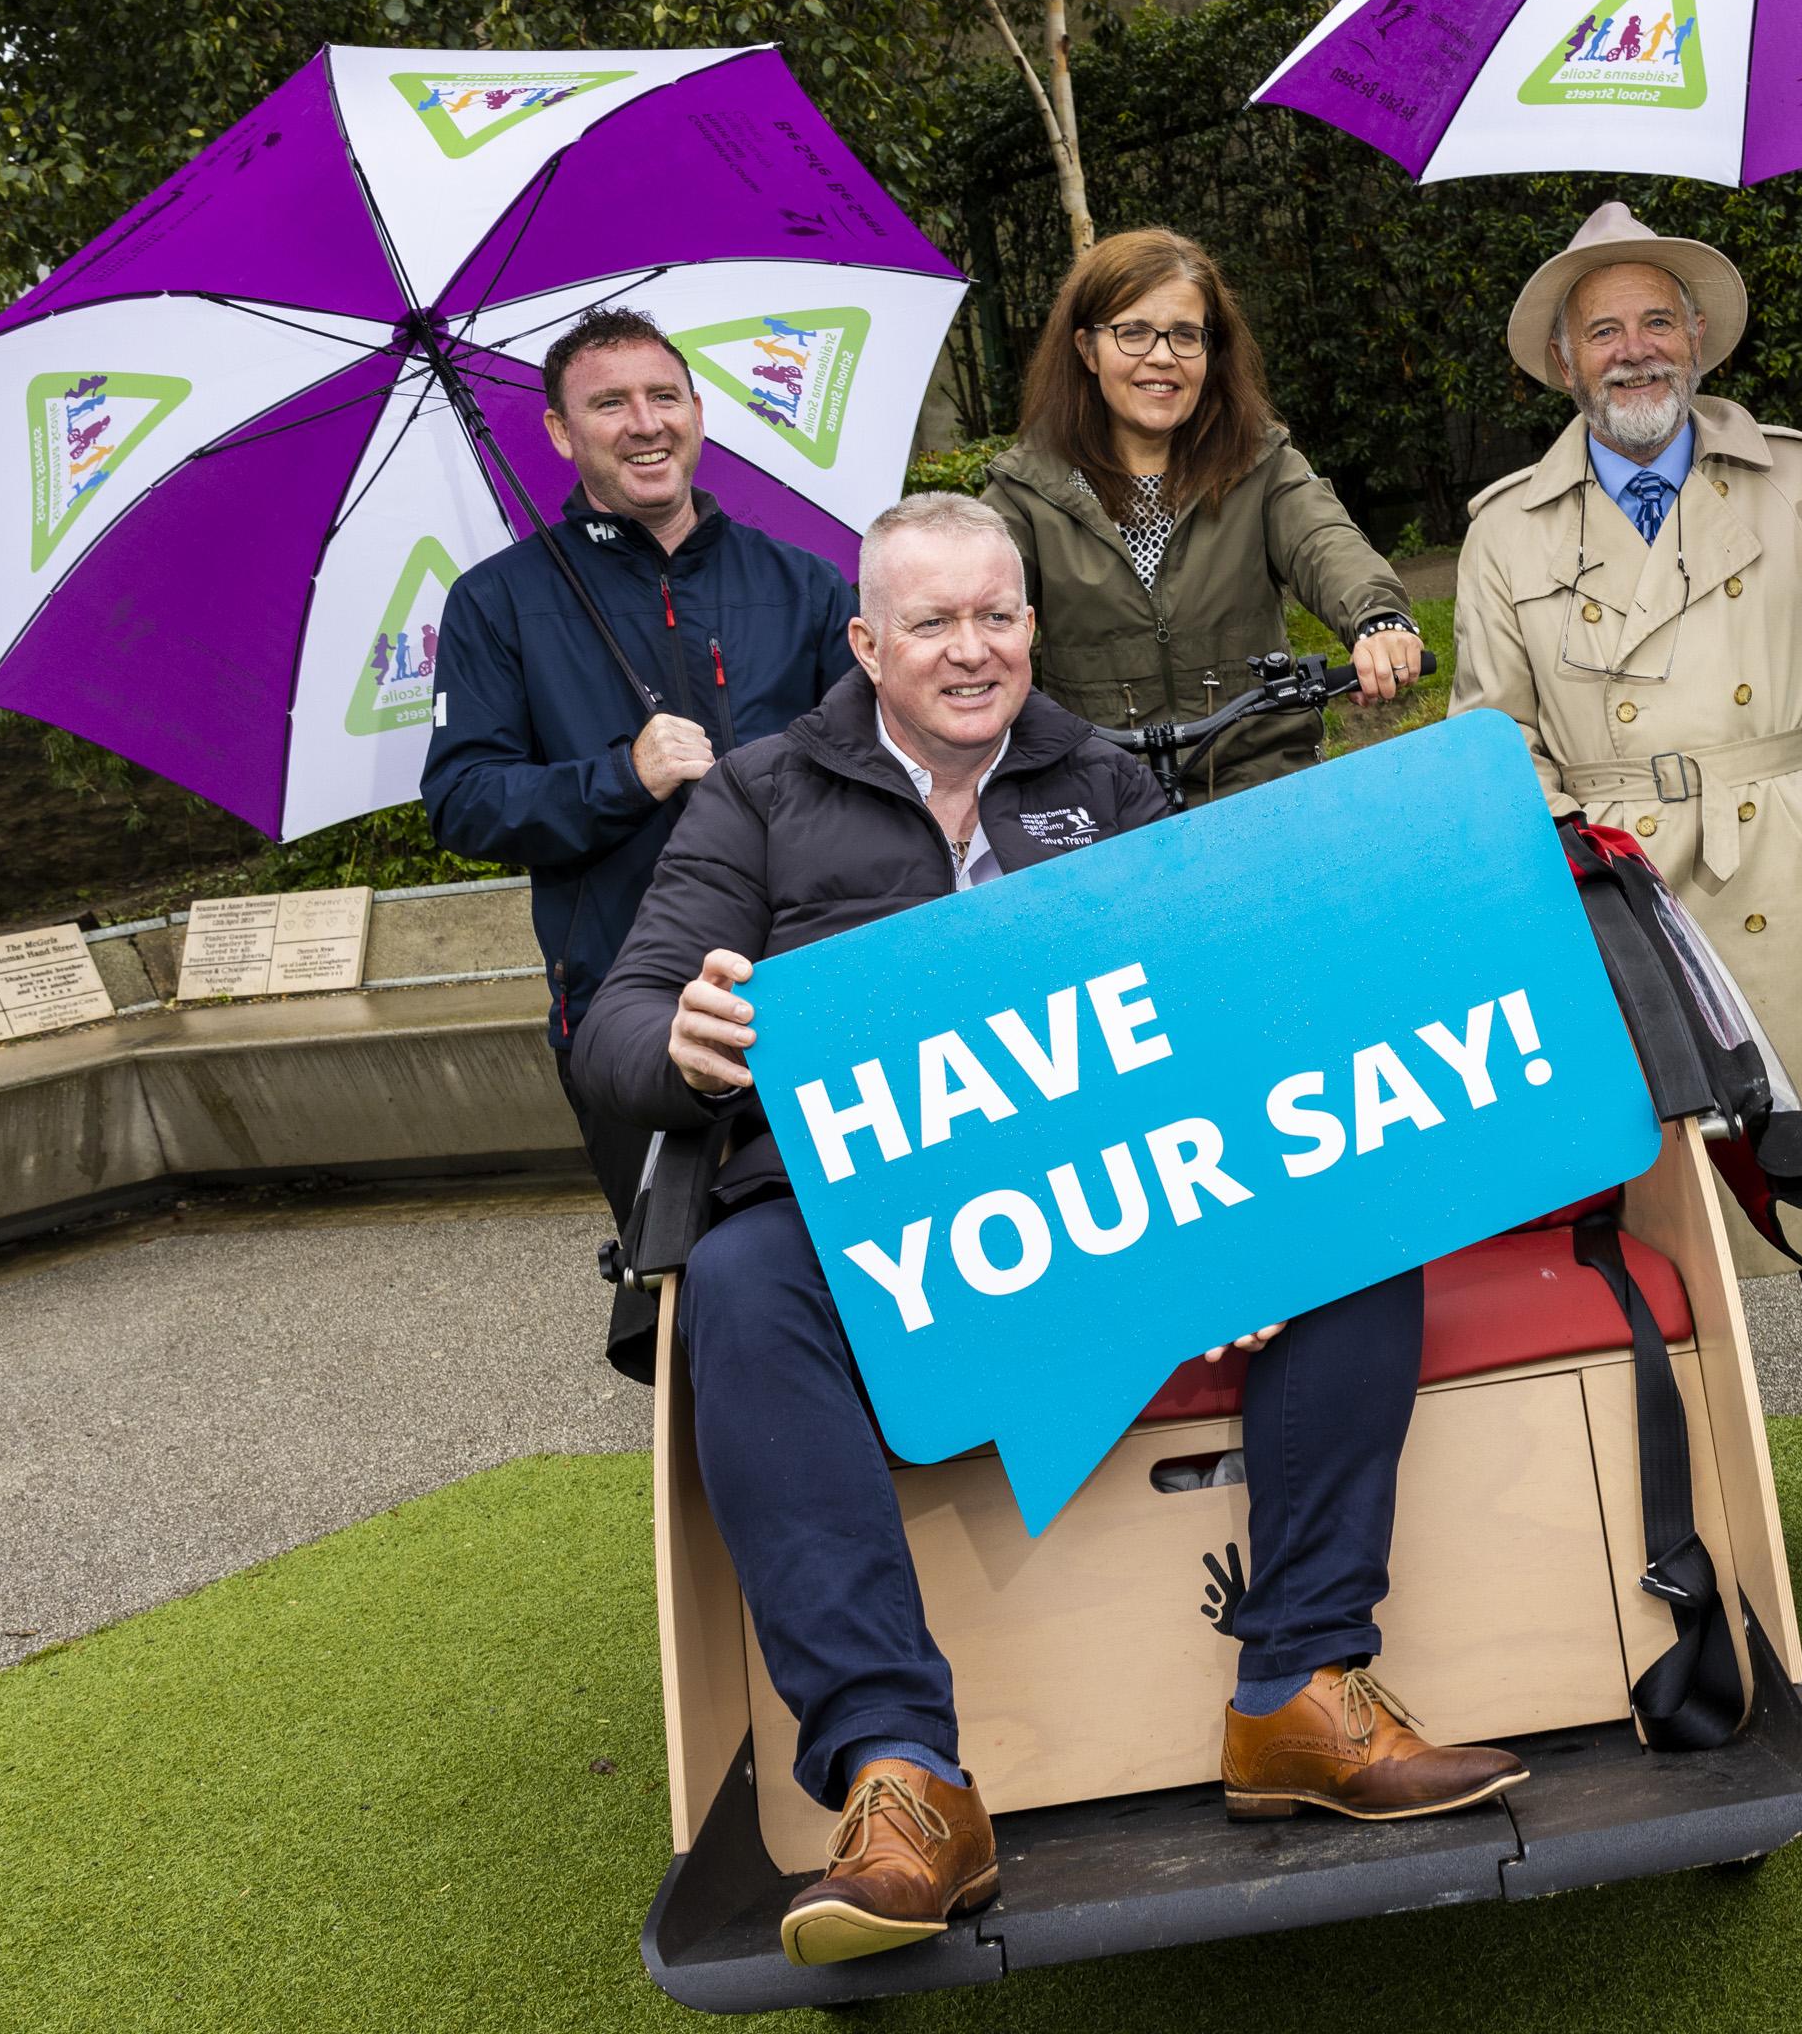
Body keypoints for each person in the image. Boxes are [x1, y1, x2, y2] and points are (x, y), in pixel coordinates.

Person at [568, 492, 1519, 1963]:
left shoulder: (1102, 780)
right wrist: (679, 1044)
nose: (973, 650)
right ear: (867, 644)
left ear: (1032, 623)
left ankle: (1301, 1692)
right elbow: (618, 1023)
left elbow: (1201, 1009)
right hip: (865, 1233)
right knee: (742, 1280)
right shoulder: (755, 795)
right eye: (934, 623)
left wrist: (1236, 1213)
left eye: (998, 616)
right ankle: (904, 1780)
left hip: (1106, 1204)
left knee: (1346, 1214)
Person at [1453, 202, 1802, 1599]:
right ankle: (1679, 1516)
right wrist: (1568, 843)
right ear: (1563, 362)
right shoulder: (1503, 533)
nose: (1635, 348)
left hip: (1789, 856)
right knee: (1649, 1221)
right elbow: (1488, 731)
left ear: (1697, 338)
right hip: (1622, 889)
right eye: (1603, 327)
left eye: (1656, 319)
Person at [423, 304, 858, 1377]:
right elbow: (464, 800)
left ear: (700, 413)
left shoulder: (803, 583)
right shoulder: (497, 606)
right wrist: (622, 776)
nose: (644, 422)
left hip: (813, 993)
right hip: (626, 1011)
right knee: (695, 1312)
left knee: (853, 1289)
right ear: (562, 436)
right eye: (608, 404)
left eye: (664, 396)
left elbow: (875, 768)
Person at [981, 229, 1424, 799]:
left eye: (1185, 335)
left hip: (1260, 777)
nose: (1162, 356)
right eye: (1133, 332)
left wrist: (1377, 619)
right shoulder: (1025, 491)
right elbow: (973, 605)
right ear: (1087, 349)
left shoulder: (1261, 462)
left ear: (1211, 354)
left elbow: (1326, 542)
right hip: (1095, 792)